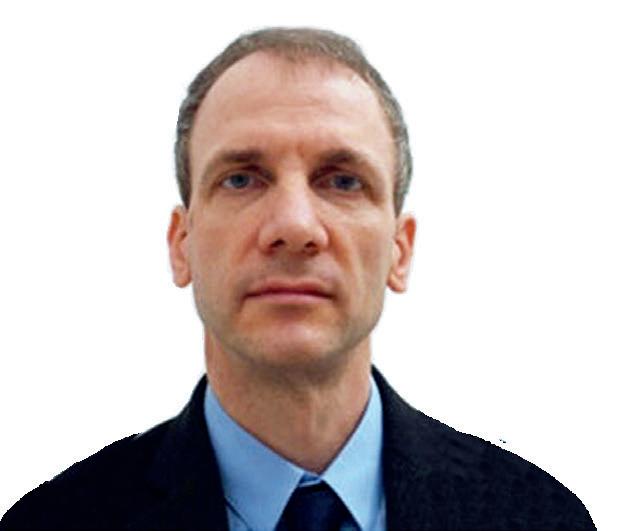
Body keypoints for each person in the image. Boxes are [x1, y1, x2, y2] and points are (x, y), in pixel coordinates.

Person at [0, 27, 595, 531]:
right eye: (241, 179)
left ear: (400, 250)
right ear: (181, 246)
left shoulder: (541, 518)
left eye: (342, 181)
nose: (293, 226)